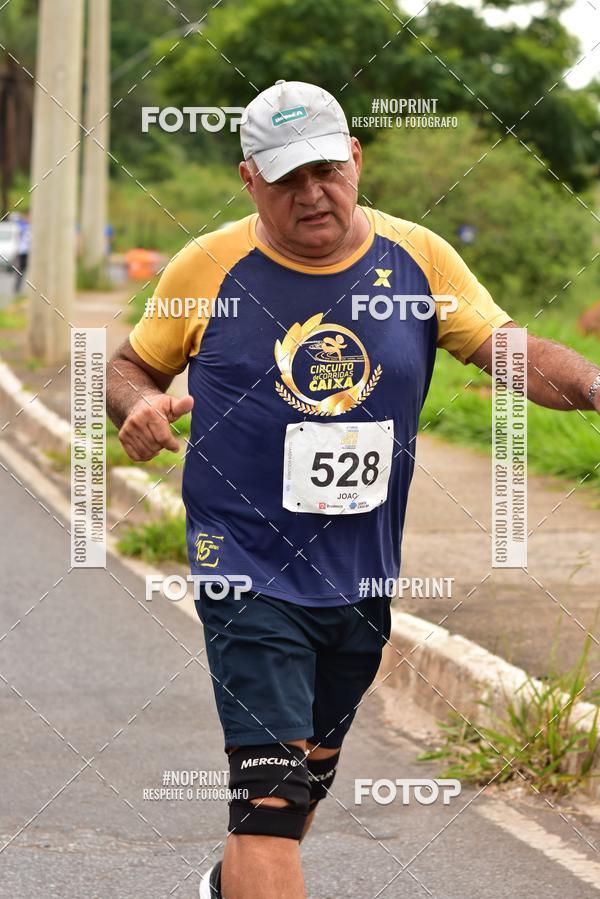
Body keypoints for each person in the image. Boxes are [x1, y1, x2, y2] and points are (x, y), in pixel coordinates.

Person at [106, 80, 600, 899]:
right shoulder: (210, 266)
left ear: (356, 160)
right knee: (270, 797)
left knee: (301, 784)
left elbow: (511, 350)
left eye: (327, 170)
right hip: (245, 566)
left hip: (360, 573)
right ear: (249, 180)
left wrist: (595, 386)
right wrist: (136, 406)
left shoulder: (419, 259)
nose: (312, 193)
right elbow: (131, 365)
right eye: (287, 178)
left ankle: (228, 885)